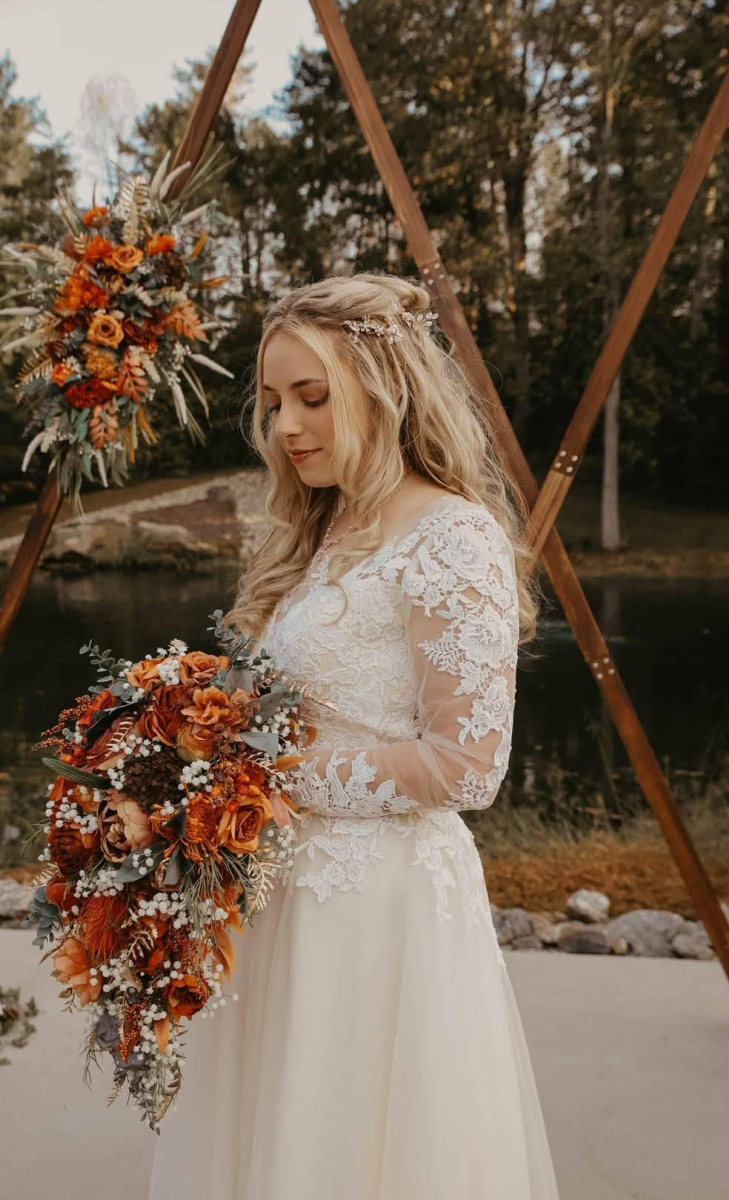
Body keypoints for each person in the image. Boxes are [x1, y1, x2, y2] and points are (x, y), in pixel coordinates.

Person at [147, 272, 560, 1199]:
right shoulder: (321, 532)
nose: (286, 426)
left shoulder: (453, 538)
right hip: (280, 904)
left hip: (381, 916)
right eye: (272, 402)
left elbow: (467, 764)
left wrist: (264, 778)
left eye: (312, 397)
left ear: (385, 388)